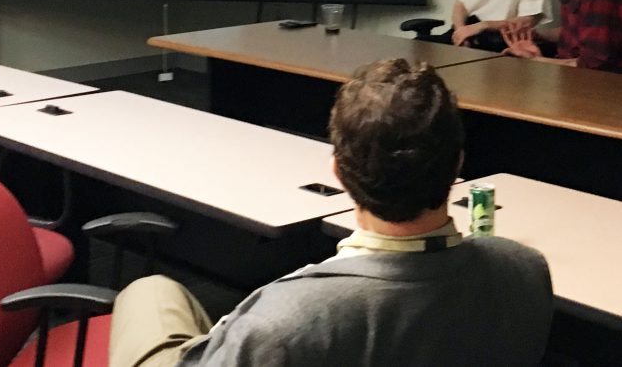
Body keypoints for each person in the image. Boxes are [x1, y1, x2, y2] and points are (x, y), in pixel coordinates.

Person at [108, 59, 554, 367]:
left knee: (150, 292)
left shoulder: (285, 320)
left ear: (338, 172)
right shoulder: (525, 270)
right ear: (458, 166)